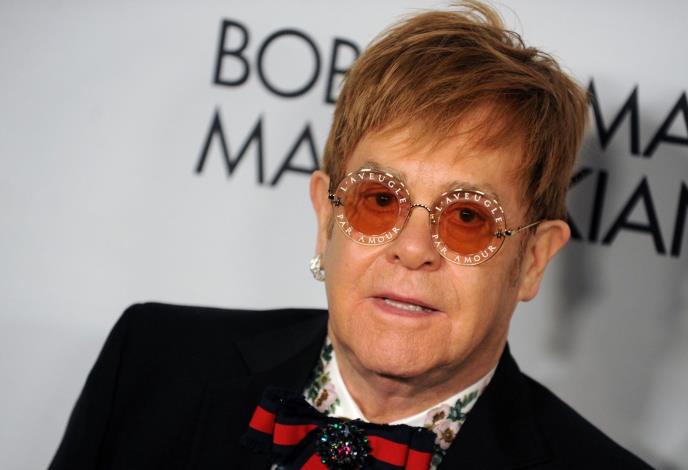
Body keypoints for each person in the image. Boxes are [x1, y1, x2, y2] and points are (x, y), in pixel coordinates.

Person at [49, 2, 652, 469]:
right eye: (380, 200)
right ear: (325, 219)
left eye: (467, 218)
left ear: (533, 260)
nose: (412, 249)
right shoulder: (152, 362)